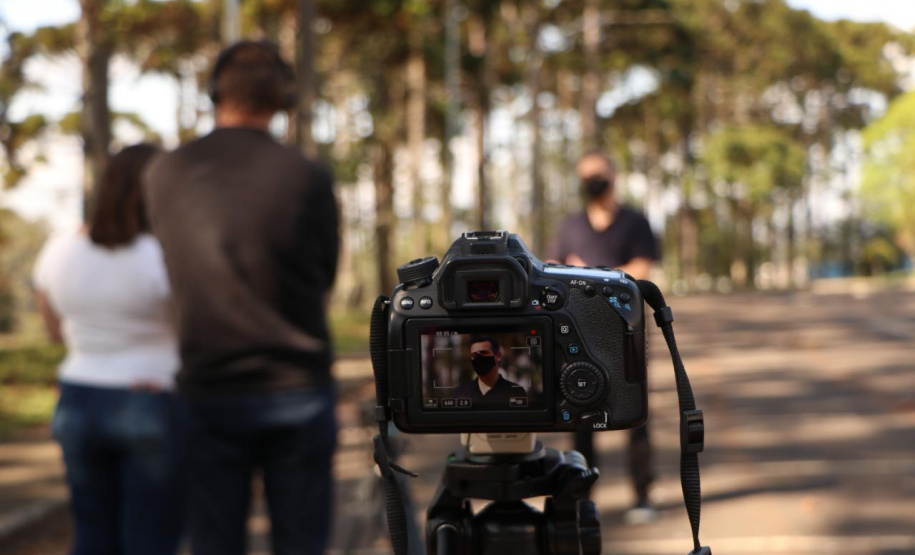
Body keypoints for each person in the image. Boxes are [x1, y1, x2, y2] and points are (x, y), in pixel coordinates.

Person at [143, 40, 339, 555]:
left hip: (207, 389)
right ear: (284, 98)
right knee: (301, 544)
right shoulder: (308, 175)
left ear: (214, 94)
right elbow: (325, 273)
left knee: (213, 542)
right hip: (297, 385)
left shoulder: (165, 172)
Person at [33, 144, 185, 555]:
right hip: (152, 396)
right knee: (150, 539)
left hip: (78, 397)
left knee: (92, 534)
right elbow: (189, 331)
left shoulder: (58, 249)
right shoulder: (164, 256)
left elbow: (54, 331)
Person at [546, 152, 659, 524]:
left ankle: (642, 496)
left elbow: (642, 269)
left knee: (635, 414)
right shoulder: (570, 227)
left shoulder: (636, 222)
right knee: (579, 415)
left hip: (627, 332)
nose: (593, 181)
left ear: (613, 176)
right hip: (578, 334)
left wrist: (588, 274)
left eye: (598, 174)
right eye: (586, 176)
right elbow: (555, 273)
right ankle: (581, 498)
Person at [454, 336, 526, 406]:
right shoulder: (461, 393)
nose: (479, 358)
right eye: (474, 355)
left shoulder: (516, 392)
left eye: (484, 352)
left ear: (498, 356)